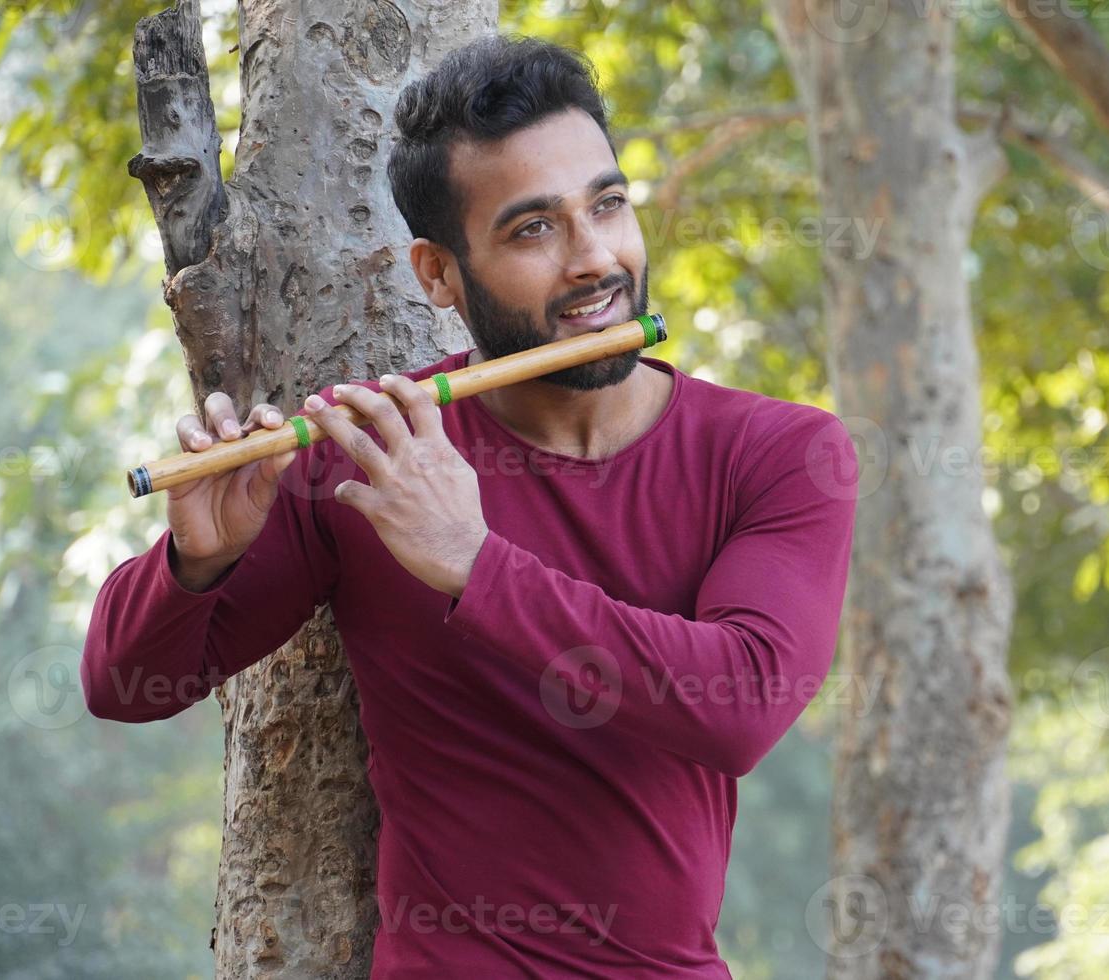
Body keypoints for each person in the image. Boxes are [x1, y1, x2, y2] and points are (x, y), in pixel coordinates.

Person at [82, 34, 858, 979]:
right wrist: (195, 561)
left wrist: (473, 564)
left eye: (607, 206)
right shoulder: (374, 455)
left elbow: (740, 707)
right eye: (533, 230)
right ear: (438, 274)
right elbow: (123, 687)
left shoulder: (777, 453)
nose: (594, 261)